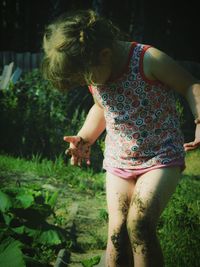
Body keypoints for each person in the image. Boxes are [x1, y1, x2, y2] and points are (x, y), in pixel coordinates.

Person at [42, 9, 200, 267]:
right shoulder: (96, 71)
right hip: (119, 160)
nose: (86, 84)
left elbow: (190, 84)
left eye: (85, 78)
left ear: (104, 55)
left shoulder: (148, 59)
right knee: (117, 233)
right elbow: (102, 107)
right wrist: (85, 137)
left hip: (160, 155)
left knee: (140, 223)